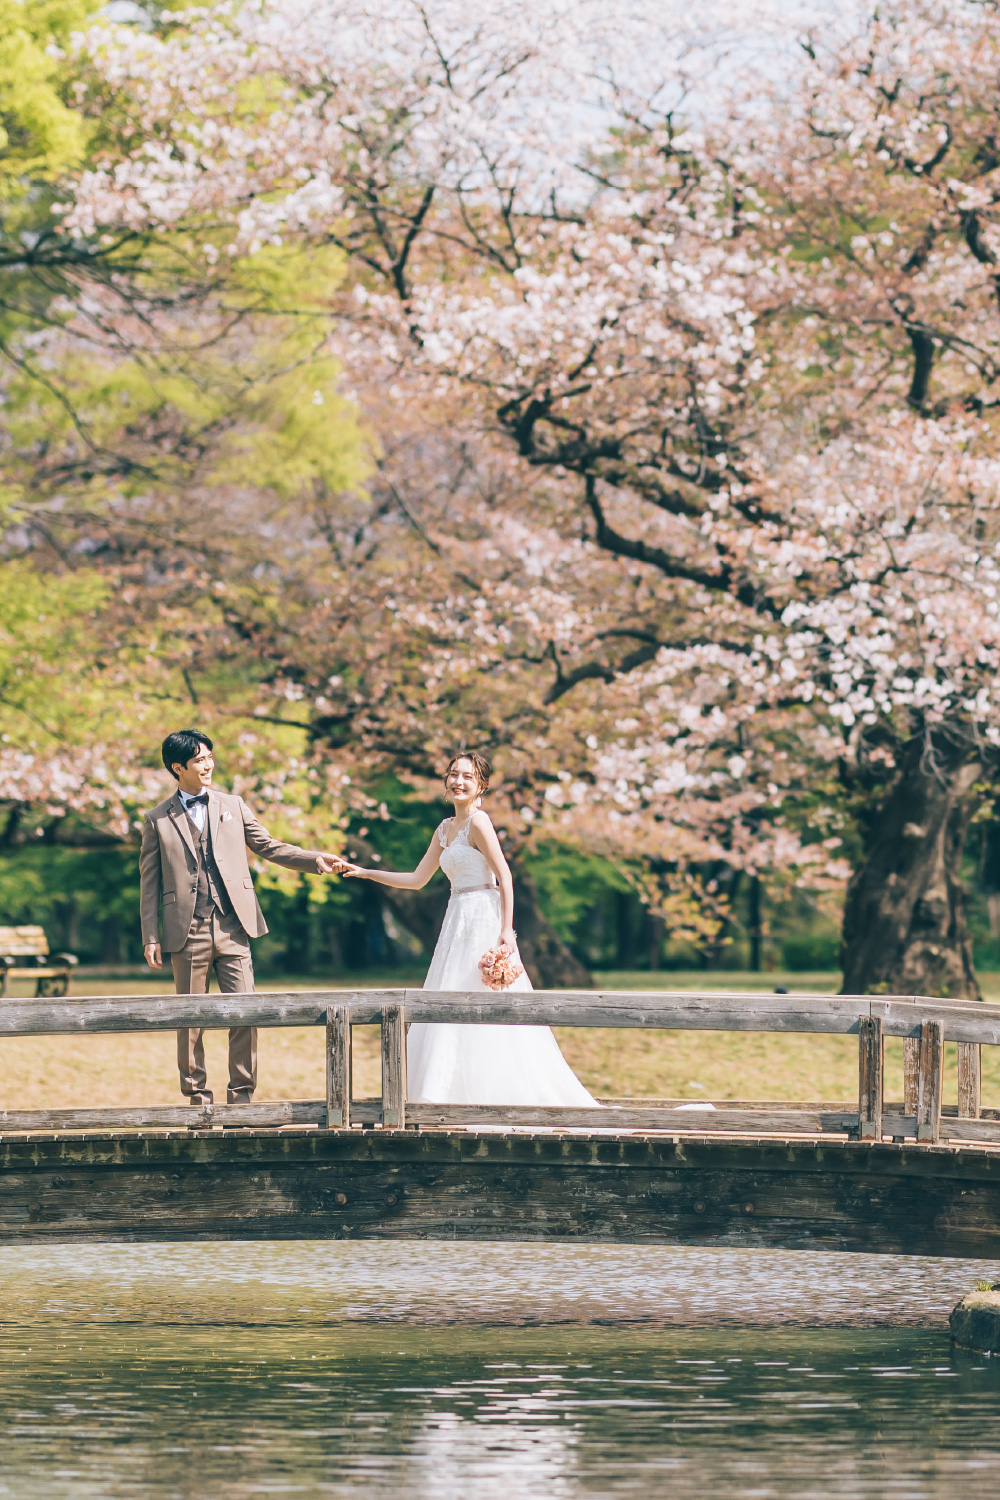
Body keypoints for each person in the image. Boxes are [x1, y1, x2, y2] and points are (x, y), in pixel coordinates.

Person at [341, 752, 596, 1106]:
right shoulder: (445, 829)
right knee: (447, 994)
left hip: (483, 917)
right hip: (456, 917)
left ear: (481, 786)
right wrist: (367, 872)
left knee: (484, 997)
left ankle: (495, 1094)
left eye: (468, 777)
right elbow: (417, 880)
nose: (458, 781)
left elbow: (504, 875)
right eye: (454, 774)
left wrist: (507, 931)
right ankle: (439, 1094)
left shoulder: (480, 823)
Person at [140, 729, 344, 1107]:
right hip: (187, 931)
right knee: (190, 1020)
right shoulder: (157, 820)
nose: (209, 765)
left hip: (235, 927)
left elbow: (269, 846)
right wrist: (150, 935)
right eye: (200, 759)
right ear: (178, 767)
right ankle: (197, 1097)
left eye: (210, 757)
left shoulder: (232, 804)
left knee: (246, 1012)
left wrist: (313, 859)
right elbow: (149, 882)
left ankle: (241, 1097)